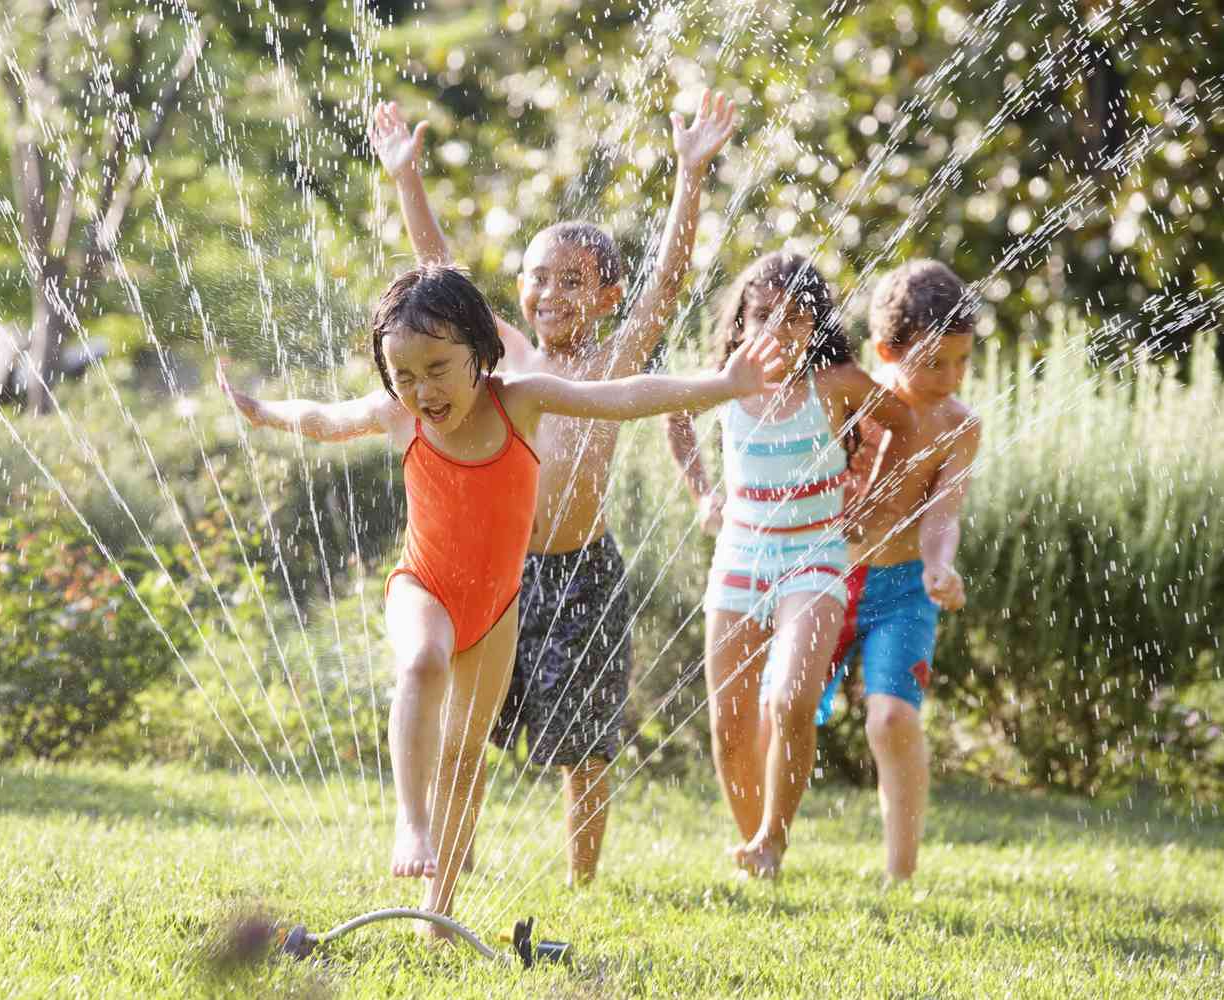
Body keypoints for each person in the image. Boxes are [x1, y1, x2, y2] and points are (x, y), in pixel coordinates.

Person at [219, 264, 780, 934]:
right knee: (423, 661)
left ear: (481, 355)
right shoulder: (399, 417)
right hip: (422, 585)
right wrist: (264, 412)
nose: (422, 390)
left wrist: (723, 385)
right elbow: (322, 418)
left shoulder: (521, 401)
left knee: (463, 755)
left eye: (437, 368)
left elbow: (625, 395)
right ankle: (410, 822)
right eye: (403, 375)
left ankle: (437, 911)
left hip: (496, 611)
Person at [369, 90, 738, 885]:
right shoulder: (499, 358)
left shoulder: (612, 362)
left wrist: (690, 174)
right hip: (492, 574)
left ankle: (581, 880)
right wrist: (408, 182)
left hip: (583, 569)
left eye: (574, 282)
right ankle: (448, 857)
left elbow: (669, 282)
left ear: (608, 296)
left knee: (586, 737)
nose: (550, 295)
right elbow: (438, 280)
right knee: (465, 726)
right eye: (538, 278)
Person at [666, 250, 912, 878]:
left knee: (792, 699)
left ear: (817, 327)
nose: (779, 331)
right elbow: (674, 413)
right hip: (741, 555)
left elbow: (904, 422)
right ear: (742, 322)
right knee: (728, 718)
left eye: (796, 319)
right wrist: (703, 494)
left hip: (815, 557)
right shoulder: (726, 383)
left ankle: (775, 836)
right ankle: (754, 847)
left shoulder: (834, 387)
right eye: (765, 317)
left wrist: (875, 497)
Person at [815, 259, 981, 882]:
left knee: (892, 718)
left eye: (962, 362)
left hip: (904, 586)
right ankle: (766, 841)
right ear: (887, 350)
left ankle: (900, 873)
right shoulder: (855, 404)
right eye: (936, 362)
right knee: (789, 707)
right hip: (828, 578)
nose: (952, 377)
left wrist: (940, 566)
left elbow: (943, 512)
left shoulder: (959, 426)